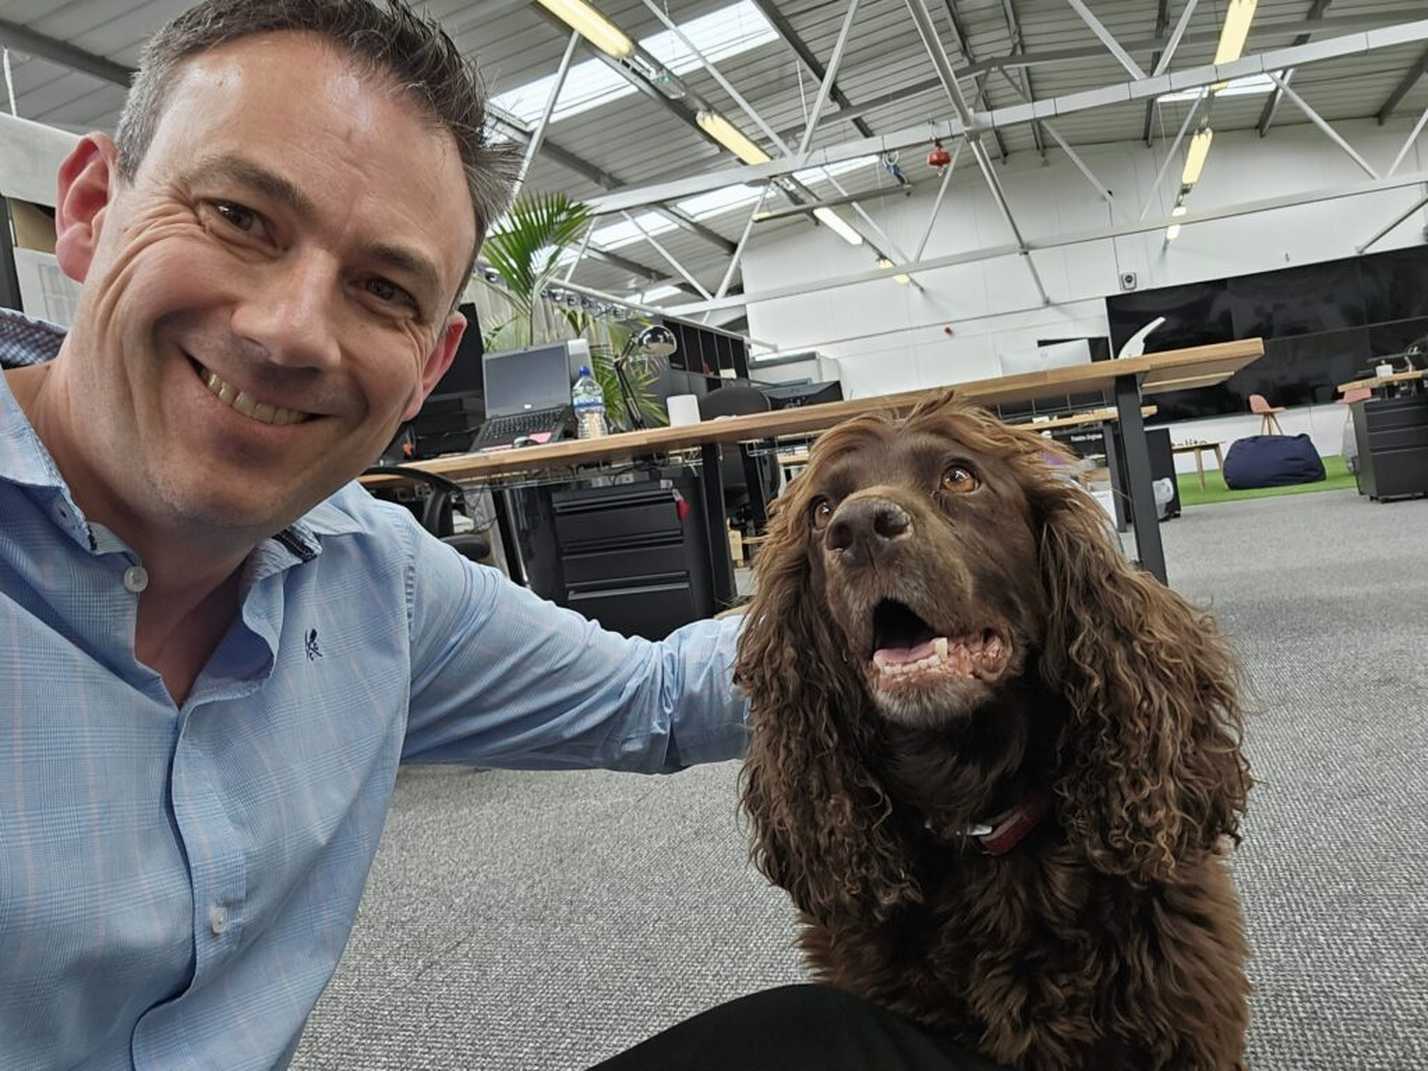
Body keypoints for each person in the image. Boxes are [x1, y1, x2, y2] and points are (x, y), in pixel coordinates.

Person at [0, 2, 1000, 1068]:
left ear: (428, 368)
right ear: (92, 210)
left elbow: (653, 698)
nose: (288, 330)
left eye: (383, 289)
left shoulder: (371, 577)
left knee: (842, 1048)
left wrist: (932, 607)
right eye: (241, 217)